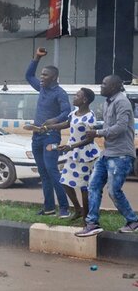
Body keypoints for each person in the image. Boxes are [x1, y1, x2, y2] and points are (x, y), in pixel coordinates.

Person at [75, 75, 138, 236]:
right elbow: (109, 124)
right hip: (107, 153)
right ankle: (92, 223)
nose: (101, 87)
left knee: (113, 190)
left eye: (104, 84)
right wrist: (95, 126)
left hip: (121, 155)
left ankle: (133, 221)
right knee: (93, 186)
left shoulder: (122, 102)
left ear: (115, 87)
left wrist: (97, 132)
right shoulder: (107, 103)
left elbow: (121, 127)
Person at [30, 88, 99, 222]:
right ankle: (78, 209)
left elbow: (90, 139)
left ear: (84, 100)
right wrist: (49, 126)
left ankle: (86, 218)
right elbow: (66, 124)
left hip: (86, 154)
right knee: (65, 182)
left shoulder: (90, 117)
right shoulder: (74, 113)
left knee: (84, 187)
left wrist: (71, 146)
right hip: (73, 154)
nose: (74, 96)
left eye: (77, 95)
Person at [24, 47, 71, 217]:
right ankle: (49, 208)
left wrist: (54, 120)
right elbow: (29, 76)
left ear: (54, 77)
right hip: (37, 135)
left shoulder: (60, 93)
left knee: (52, 170)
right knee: (43, 173)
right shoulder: (42, 88)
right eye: (42, 75)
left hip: (51, 136)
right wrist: (36, 57)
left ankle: (64, 208)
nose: (41, 77)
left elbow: (67, 112)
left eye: (45, 75)